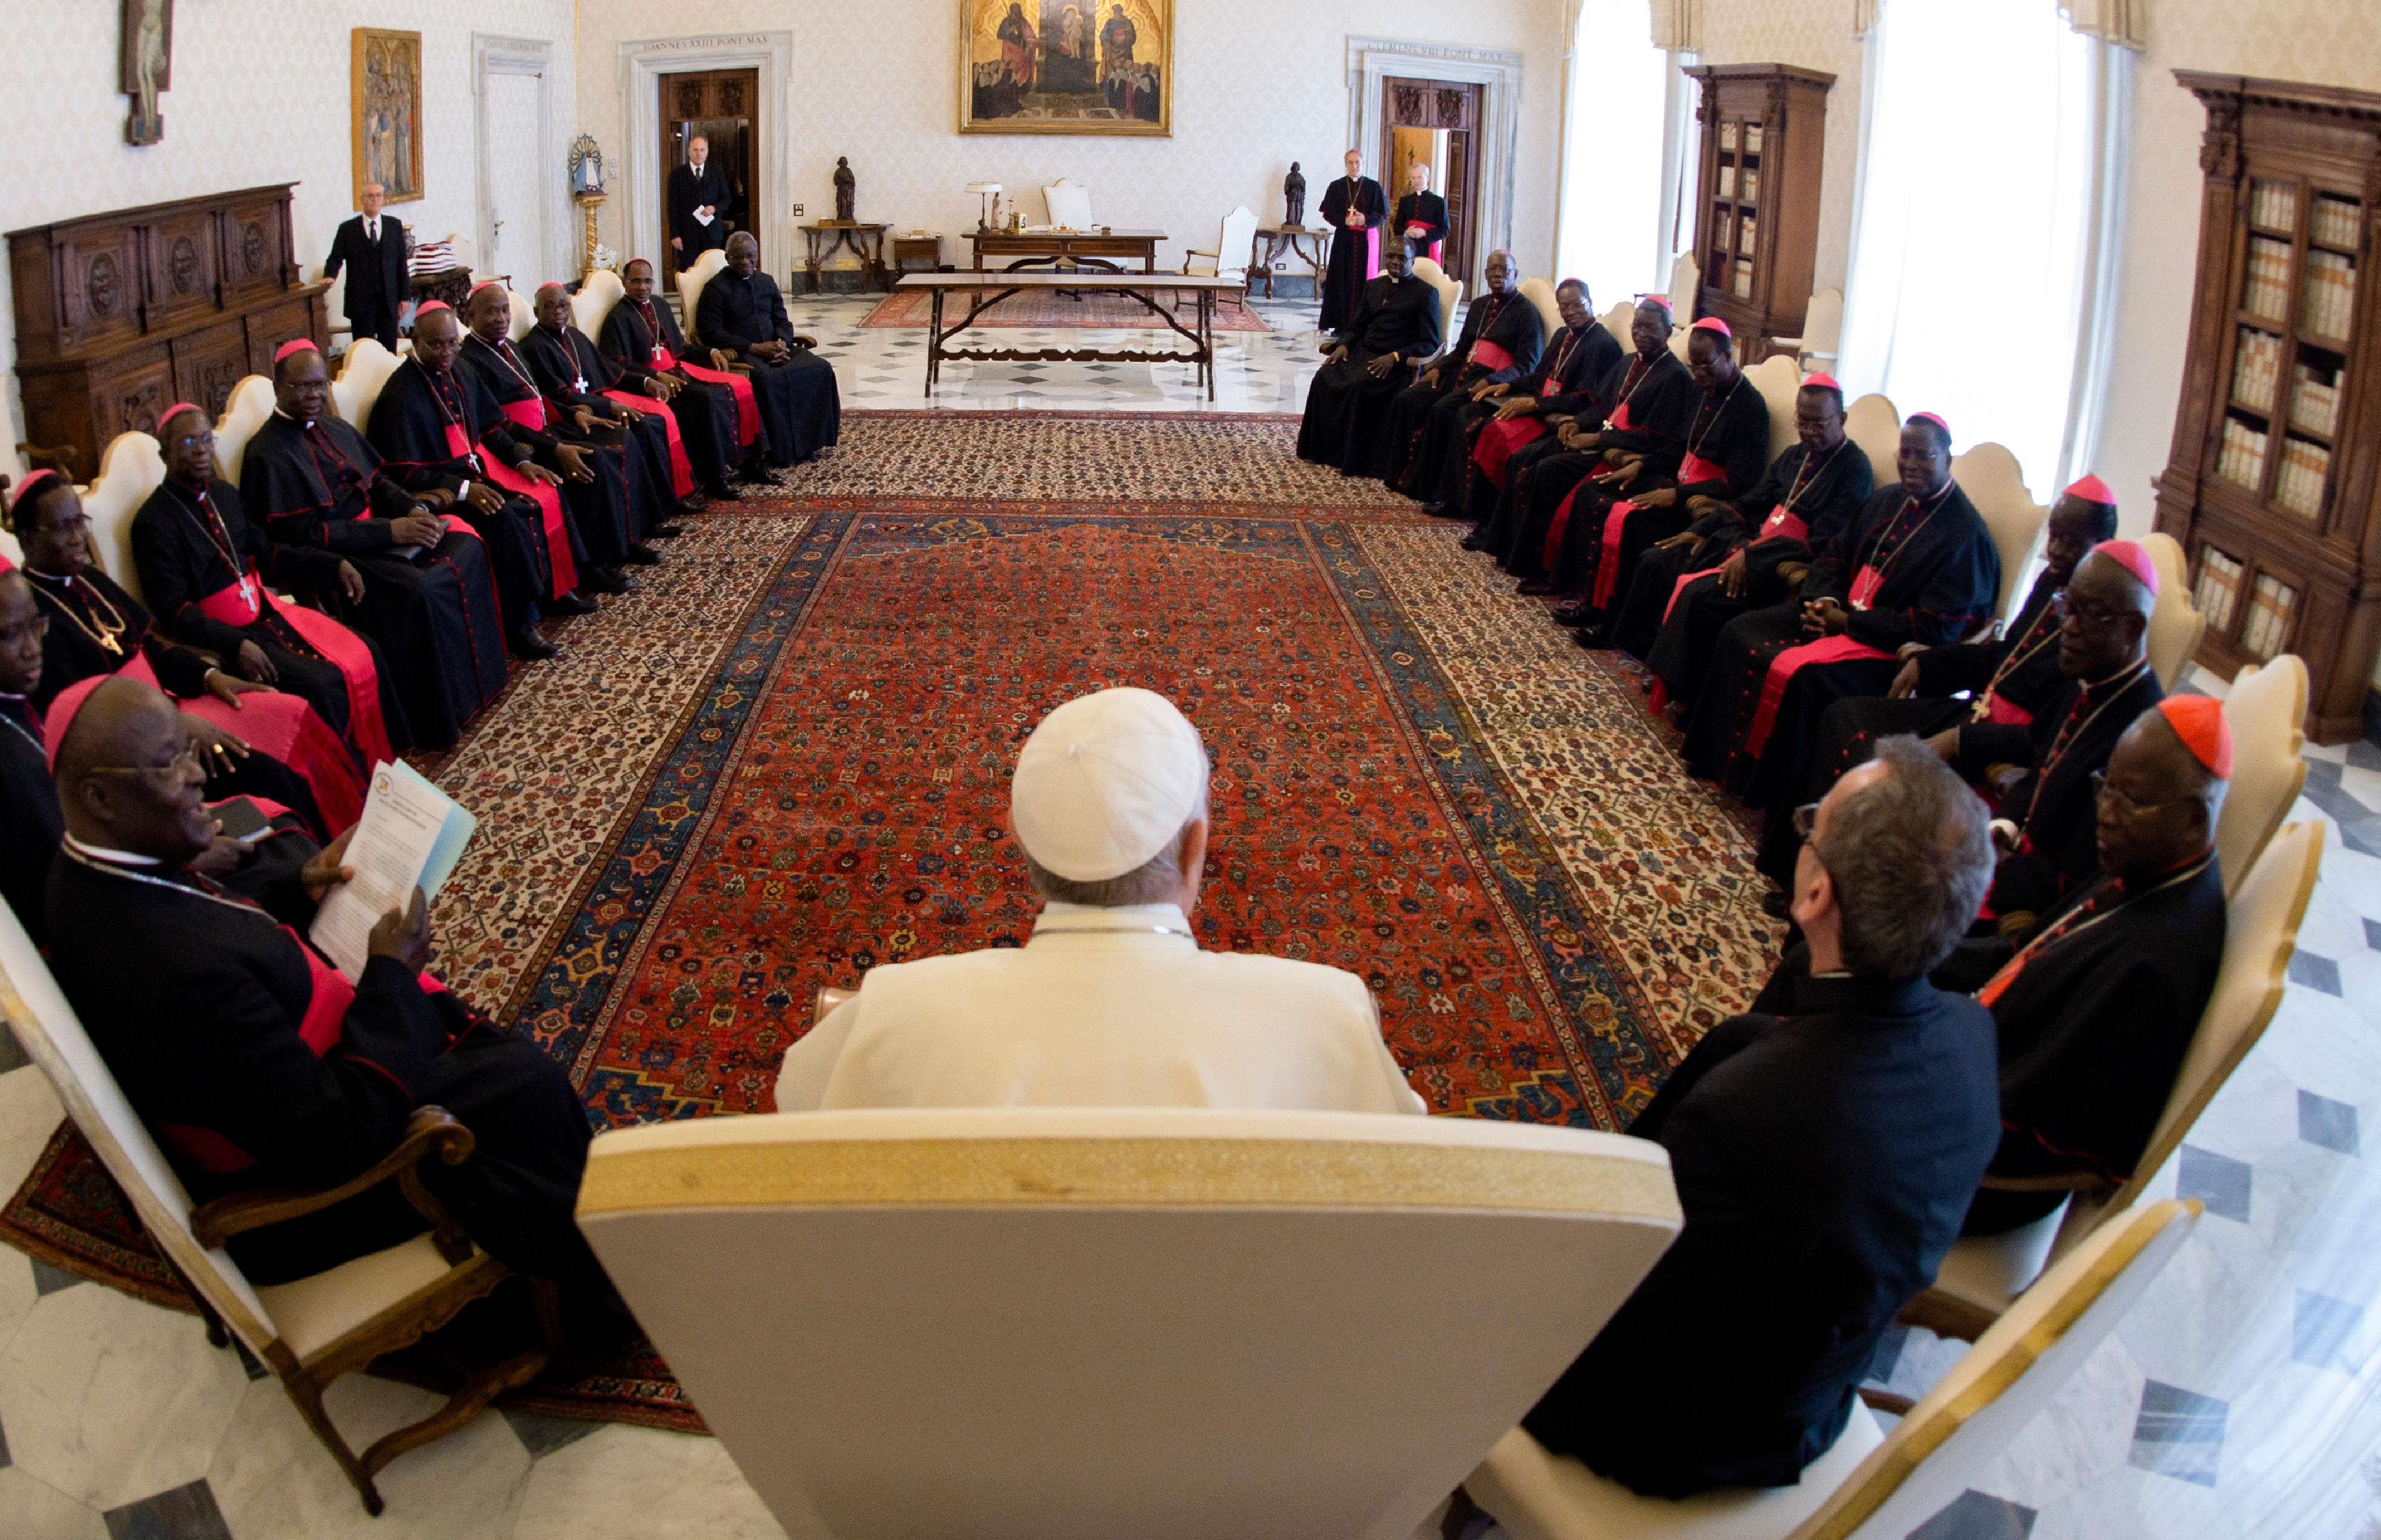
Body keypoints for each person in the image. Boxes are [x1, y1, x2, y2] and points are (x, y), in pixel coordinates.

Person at [41, 677, 625, 1331]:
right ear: (100, 797)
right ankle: (590, 1306)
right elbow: (339, 1137)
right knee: (526, 1086)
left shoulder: (93, 875)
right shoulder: (167, 968)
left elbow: (207, 920)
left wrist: (297, 888)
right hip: (312, 1201)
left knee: (294, 858)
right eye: (169, 764)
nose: (198, 774)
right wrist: (390, 975)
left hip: (283, 1084)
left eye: (187, 749)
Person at [1523, 737, 1999, 1498]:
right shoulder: (1973, 1038)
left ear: (1815, 895)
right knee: (1740, 1037)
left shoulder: (1754, 1116)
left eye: (1811, 825)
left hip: (1692, 1434)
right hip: (1813, 1389)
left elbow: (1633, 1322)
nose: (1802, 836)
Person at [776, 686, 1426, 1114]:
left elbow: (799, 1115)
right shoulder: (1328, 1019)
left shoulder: (887, 1014)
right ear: (1197, 848)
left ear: (1018, 840)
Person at [1938, 698, 2229, 1236]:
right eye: (2106, 788)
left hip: (1977, 1170)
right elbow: (2029, 952)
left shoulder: (2156, 965)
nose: (2106, 814)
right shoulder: (2148, 866)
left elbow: (2060, 1140)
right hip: (1976, 1071)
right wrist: (1921, 957)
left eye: (2130, 799)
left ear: (2194, 819)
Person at [1749, 476, 2119, 891]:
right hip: (1979, 709)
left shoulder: (2098, 630)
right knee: (1843, 716)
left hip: (2001, 743)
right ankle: (1796, 875)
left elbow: (2048, 736)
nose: (2056, 551)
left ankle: (1845, 893)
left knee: (1870, 751)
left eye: (2071, 542)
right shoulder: (2052, 581)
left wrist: (1962, 738)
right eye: (2054, 536)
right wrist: (1928, 665)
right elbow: (2006, 655)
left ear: (2103, 543)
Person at [0, 556, 318, 941]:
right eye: (11, 636)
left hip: (131, 873)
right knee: (288, 863)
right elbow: (72, 893)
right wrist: (185, 860)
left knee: (281, 833)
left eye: (36, 626)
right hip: (129, 923)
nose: (33, 648)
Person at [9, 469, 357, 840]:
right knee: (274, 775)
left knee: (294, 712)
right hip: (145, 755)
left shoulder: (89, 580)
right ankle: (319, 857)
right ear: (27, 538)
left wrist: (210, 677)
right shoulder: (32, 620)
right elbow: (87, 722)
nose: (78, 537)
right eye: (62, 527)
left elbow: (149, 648)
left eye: (80, 522)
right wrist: (174, 724)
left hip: (173, 702)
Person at [1672, 414, 1999, 796]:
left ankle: (1765, 790)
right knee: (1739, 631)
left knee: (1806, 680)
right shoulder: (1887, 499)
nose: (1910, 464)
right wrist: (1823, 602)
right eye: (1904, 453)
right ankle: (1716, 760)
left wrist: (1846, 623)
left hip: (1885, 648)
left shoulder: (1966, 535)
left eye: (1923, 455)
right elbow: (1834, 555)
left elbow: (1935, 627)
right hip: (1837, 613)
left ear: (1947, 458)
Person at [240, 339, 517, 732]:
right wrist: (390, 530)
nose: (314, 395)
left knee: (468, 546)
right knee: (421, 588)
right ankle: (435, 717)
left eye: (320, 385)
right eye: (302, 386)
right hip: (342, 557)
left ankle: (481, 685)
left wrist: (412, 508)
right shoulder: (266, 454)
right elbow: (306, 534)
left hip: (383, 532)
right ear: (278, 387)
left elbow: (379, 481)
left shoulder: (335, 427)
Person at [130, 403, 401, 764]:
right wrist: (235, 644)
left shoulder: (224, 495)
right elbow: (175, 612)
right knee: (324, 685)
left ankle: (388, 765)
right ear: (164, 454)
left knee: (367, 650)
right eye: (188, 443)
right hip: (224, 639)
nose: (201, 450)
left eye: (207, 439)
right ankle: (352, 779)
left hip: (266, 616)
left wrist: (332, 565)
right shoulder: (153, 522)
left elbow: (268, 553)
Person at [368, 302, 602, 649]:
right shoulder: (400, 396)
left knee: (543, 489)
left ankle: (557, 590)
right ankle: (520, 623)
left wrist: (521, 462)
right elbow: (405, 473)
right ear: (415, 340)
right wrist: (464, 490)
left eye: (453, 343)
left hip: (476, 472)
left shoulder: (461, 371)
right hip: (441, 491)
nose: (446, 352)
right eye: (436, 344)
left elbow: (494, 426)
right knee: (506, 518)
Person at [1958, 539, 2162, 935]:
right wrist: (2003, 826)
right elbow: (2040, 765)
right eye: (2068, 606)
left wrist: (2003, 867)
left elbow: (2083, 874)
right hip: (2008, 858)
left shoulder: (2141, 739)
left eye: (2089, 614)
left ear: (2132, 628)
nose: (2067, 625)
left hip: (2030, 906)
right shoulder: (2087, 676)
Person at [1614, 374, 1869, 670]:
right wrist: (1700, 529)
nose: (1809, 433)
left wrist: (1753, 556)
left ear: (1842, 419)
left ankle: (1672, 681)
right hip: (1746, 541)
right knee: (1657, 559)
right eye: (1802, 422)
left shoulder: (1854, 469)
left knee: (1701, 596)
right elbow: (1751, 501)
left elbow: (1824, 541)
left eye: (1819, 425)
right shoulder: (1794, 455)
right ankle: (1640, 654)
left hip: (1777, 563)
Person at [1551, 318, 1768, 646]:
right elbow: (1676, 447)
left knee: (1631, 523)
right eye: (1693, 365)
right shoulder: (1699, 390)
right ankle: (1594, 602)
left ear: (1728, 356)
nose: (1699, 373)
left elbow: (1740, 483)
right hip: (1671, 480)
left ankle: (1616, 627)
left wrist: (1678, 494)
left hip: (1701, 502)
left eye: (1706, 364)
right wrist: (1640, 466)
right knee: (1594, 491)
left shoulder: (1750, 406)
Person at [455, 282, 666, 573]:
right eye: (492, 312)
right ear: (470, 316)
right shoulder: (468, 360)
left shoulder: (510, 347)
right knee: (594, 461)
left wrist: (573, 414)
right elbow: (496, 421)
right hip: (520, 441)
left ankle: (629, 538)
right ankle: (595, 563)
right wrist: (555, 447)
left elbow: (538, 396)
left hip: (548, 426)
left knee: (621, 438)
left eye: (505, 310)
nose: (502, 319)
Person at [1483, 298, 1688, 581]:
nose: (1641, 333)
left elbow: (1653, 439)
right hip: (1598, 441)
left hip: (1619, 454)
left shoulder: (1675, 376)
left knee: (1548, 471)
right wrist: (1576, 423)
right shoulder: (1629, 361)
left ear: (1667, 332)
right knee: (1526, 458)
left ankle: (1543, 569)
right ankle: (1510, 548)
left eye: (1649, 328)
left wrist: (1597, 439)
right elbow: (1601, 406)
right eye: (1637, 326)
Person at [521, 280, 695, 533]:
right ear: (537, 312)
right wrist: (609, 406)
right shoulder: (533, 347)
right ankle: (646, 519)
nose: (558, 312)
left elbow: (608, 368)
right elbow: (558, 396)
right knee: (640, 428)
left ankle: (663, 504)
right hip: (574, 417)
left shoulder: (575, 336)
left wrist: (646, 381)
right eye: (549, 307)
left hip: (595, 406)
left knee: (650, 424)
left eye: (562, 306)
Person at [1450, 278, 1624, 528]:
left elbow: (1586, 399)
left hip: (1558, 419)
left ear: (1590, 302)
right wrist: (1509, 386)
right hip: (1540, 408)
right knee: (1490, 430)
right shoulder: (1563, 334)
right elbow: (1538, 376)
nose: (1570, 312)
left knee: (1513, 450)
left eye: (1577, 305)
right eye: (1564, 307)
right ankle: (1480, 513)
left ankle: (1497, 525)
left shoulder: (1603, 344)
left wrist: (1535, 405)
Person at [600, 256, 769, 498]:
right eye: (636, 281)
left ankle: (752, 464)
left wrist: (710, 352)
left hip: (677, 370)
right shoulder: (618, 316)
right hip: (652, 383)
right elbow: (616, 362)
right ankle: (714, 478)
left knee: (737, 387)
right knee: (707, 399)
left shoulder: (658, 305)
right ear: (625, 282)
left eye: (647, 281)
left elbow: (679, 345)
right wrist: (656, 375)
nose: (643, 287)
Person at [1383, 250, 1543, 499]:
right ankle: (1400, 475)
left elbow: (1526, 366)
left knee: (1444, 409)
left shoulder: (1527, 313)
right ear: (1486, 274)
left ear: (1515, 275)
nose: (1498, 274)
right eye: (1493, 269)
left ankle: (1431, 489)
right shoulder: (1480, 305)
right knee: (1409, 398)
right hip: (1461, 372)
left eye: (1504, 270)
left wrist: (1490, 381)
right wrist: (1439, 368)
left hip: (1490, 382)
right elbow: (1462, 350)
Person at [694, 231, 842, 466]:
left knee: (820, 368)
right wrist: (754, 347)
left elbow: (782, 320)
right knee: (768, 381)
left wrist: (782, 342)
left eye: (750, 256)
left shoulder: (766, 281)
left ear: (757, 256)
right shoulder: (715, 288)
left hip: (777, 348)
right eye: (738, 257)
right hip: (743, 353)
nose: (745, 262)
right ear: (728, 258)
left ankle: (809, 443)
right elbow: (710, 332)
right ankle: (776, 451)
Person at [1295, 236, 1440, 468]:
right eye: (1391, 256)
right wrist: (1344, 345)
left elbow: (1429, 342)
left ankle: (1351, 457)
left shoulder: (1426, 293)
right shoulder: (1373, 286)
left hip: (1394, 362)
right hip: (1363, 352)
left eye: (1402, 258)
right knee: (1324, 377)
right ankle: (1322, 451)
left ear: (1412, 261)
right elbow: (1357, 325)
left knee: (1358, 386)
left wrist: (1396, 357)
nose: (1395, 262)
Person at [320, 182, 408, 351]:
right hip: (361, 301)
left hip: (388, 300)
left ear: (382, 199)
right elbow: (335, 257)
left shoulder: (394, 226)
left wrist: (405, 297)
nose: (375, 200)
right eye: (370, 196)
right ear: (362, 199)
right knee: (363, 350)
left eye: (378, 196)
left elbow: (401, 263)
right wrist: (330, 275)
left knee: (389, 351)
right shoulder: (347, 229)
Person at [1316, 148, 1386, 333]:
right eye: (1350, 162)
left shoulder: (1373, 187)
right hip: (1344, 241)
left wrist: (1366, 220)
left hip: (1365, 242)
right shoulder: (1337, 186)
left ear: (1363, 163)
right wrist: (1343, 221)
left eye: (1357, 162)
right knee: (1341, 280)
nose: (1354, 166)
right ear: (1346, 164)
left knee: (1364, 283)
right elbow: (1328, 214)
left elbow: (1382, 216)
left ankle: (1362, 325)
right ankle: (1341, 324)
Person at [666, 133, 733, 266]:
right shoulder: (677, 174)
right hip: (688, 235)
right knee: (690, 270)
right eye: (695, 150)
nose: (699, 154)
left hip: (712, 234)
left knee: (713, 270)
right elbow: (673, 207)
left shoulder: (716, 172)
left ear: (707, 152)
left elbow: (726, 199)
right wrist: (675, 235)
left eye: (702, 150)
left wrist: (714, 208)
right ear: (689, 152)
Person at [1392, 161, 1449, 264]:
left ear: (1428, 178)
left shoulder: (1439, 202)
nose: (1416, 181)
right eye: (1413, 178)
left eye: (1420, 177)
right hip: (1407, 249)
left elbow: (1445, 230)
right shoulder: (1405, 201)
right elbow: (1397, 226)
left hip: (1428, 248)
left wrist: (1425, 233)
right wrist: (1406, 232)